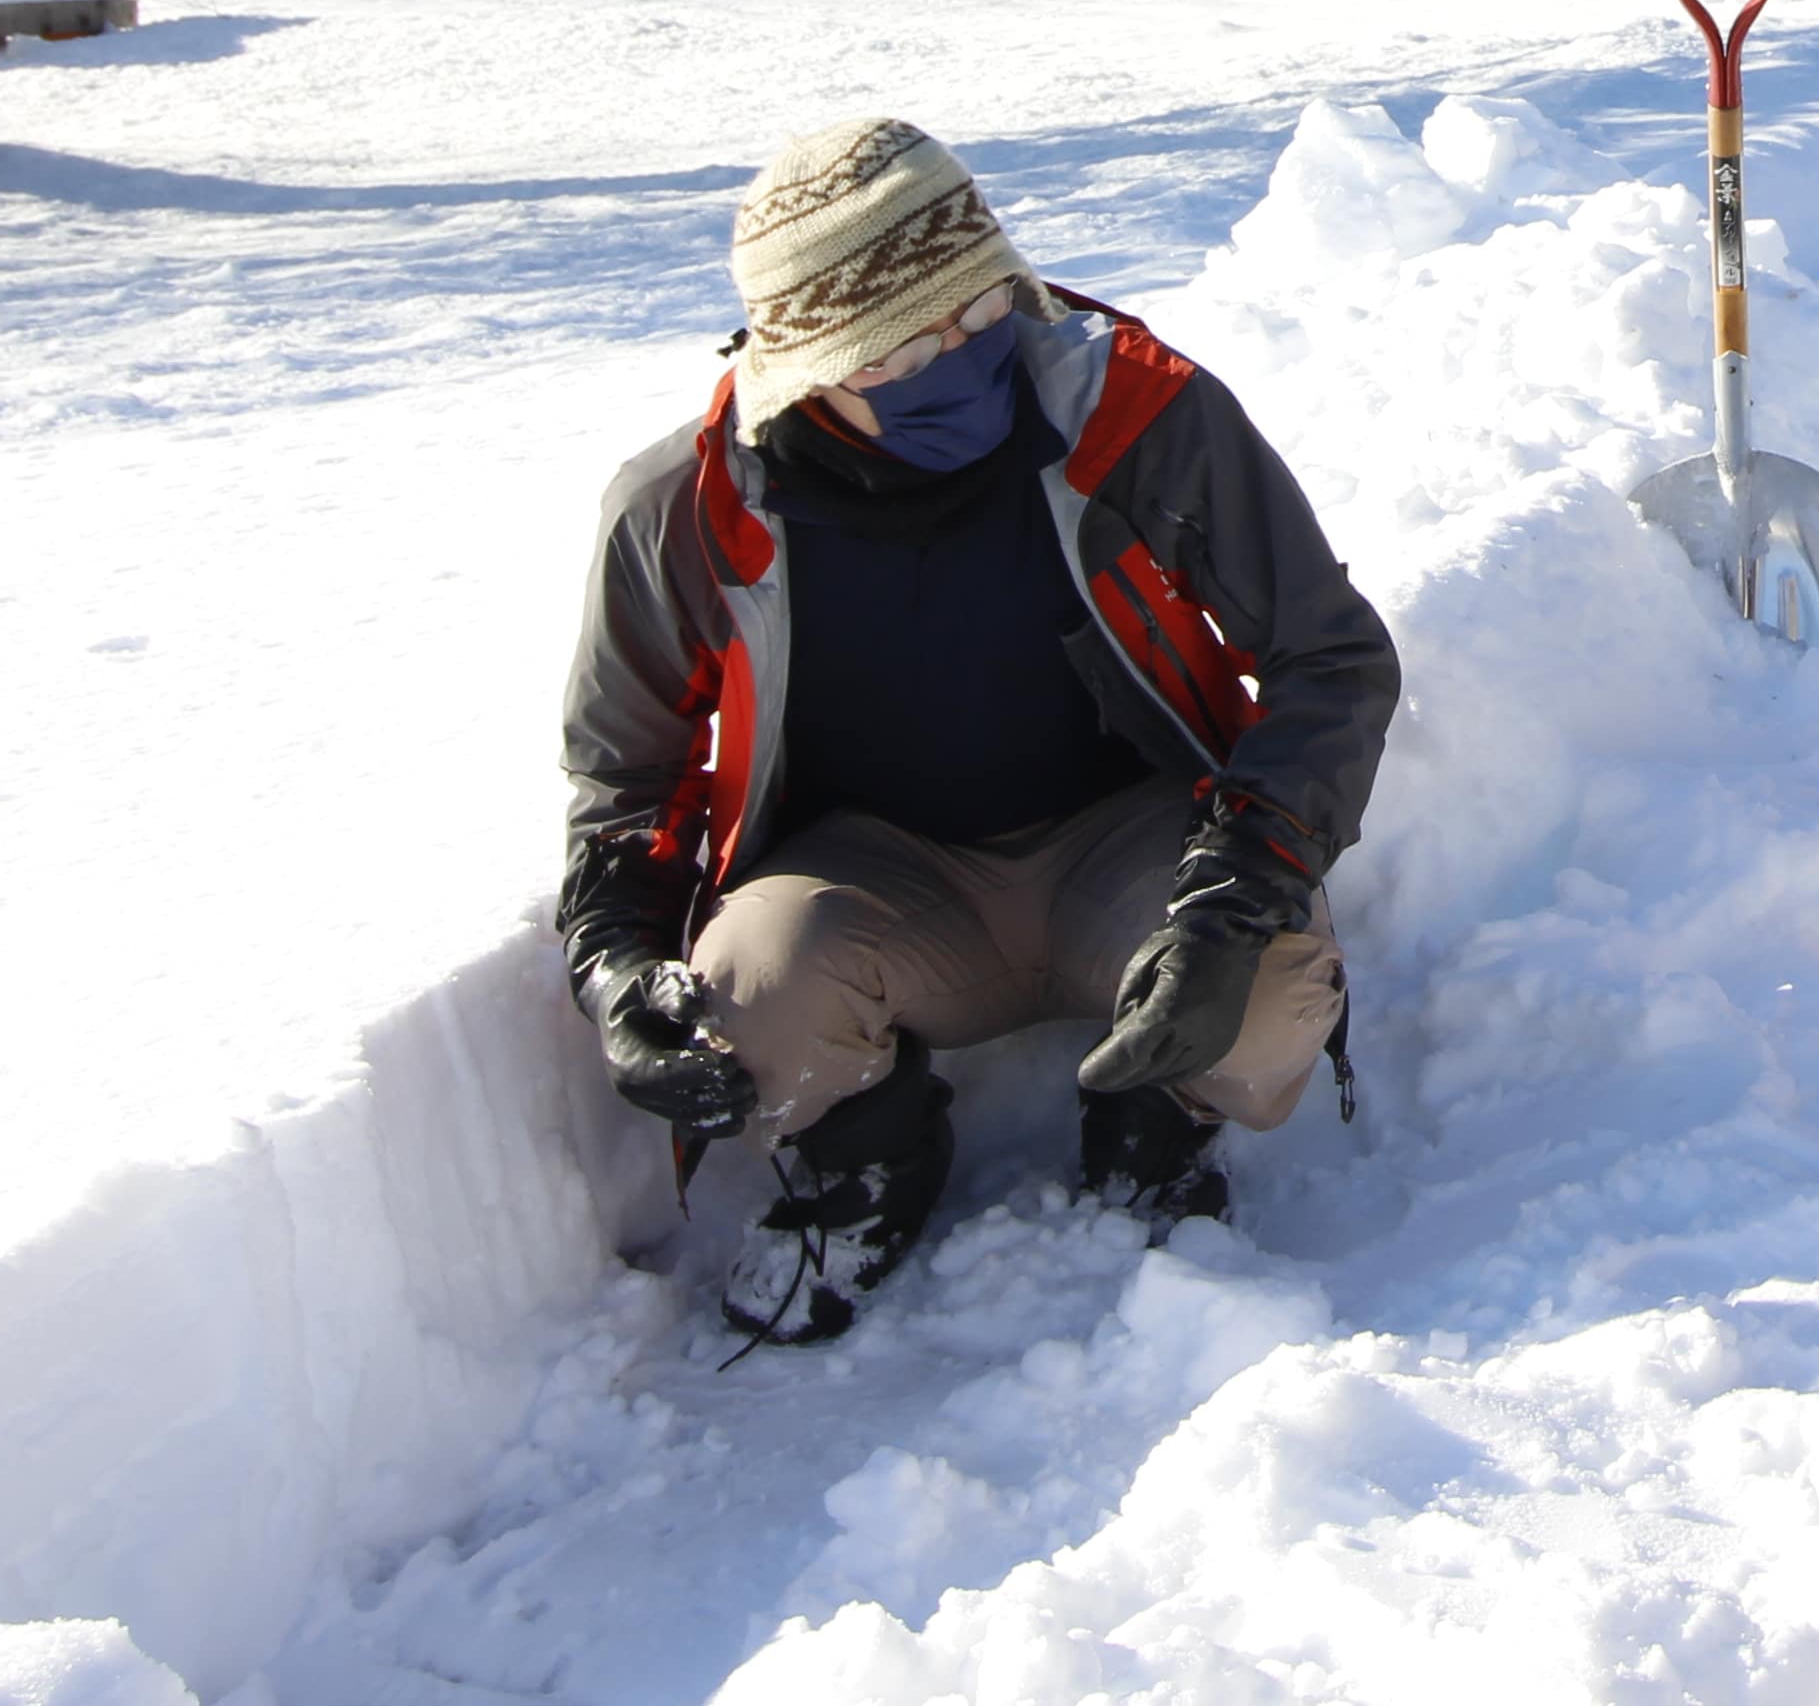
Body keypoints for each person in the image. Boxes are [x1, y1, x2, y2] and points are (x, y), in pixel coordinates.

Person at [552, 116, 1400, 1345]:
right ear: (815, 360)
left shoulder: (1134, 414)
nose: (963, 359)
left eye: (979, 315)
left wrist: (1235, 898)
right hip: (874, 881)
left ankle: (1158, 1115)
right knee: (742, 1003)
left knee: (1265, 989)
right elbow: (625, 771)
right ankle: (873, 1150)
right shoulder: (685, 507)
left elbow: (1330, 658)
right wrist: (616, 962)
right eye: (910, 350)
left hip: (1129, 840)